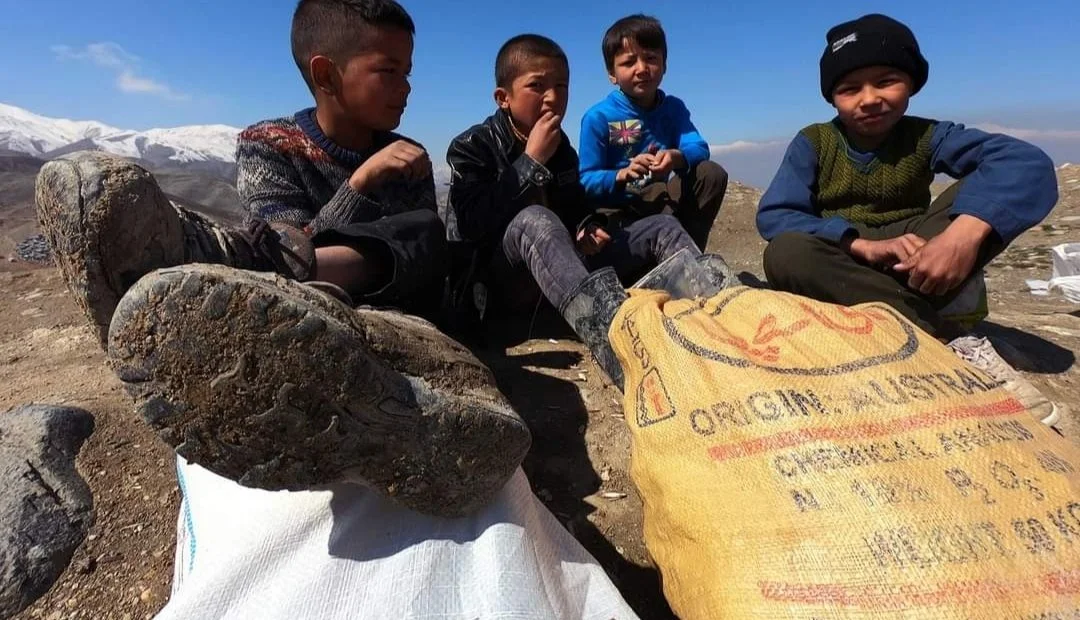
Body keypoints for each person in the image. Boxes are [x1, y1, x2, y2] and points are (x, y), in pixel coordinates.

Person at [35, 0, 532, 517]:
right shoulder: (268, 145)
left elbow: (418, 265)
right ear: (326, 73)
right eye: (389, 71)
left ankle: (241, 272)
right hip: (306, 304)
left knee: (423, 231)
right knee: (288, 261)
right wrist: (360, 184)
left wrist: (359, 192)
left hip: (390, 313)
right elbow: (288, 232)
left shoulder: (407, 153)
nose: (406, 87)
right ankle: (275, 302)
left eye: (408, 72)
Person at [755, 13, 1061, 426]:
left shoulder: (927, 135)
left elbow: (1026, 162)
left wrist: (962, 236)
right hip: (846, 262)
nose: (869, 99)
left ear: (912, 83)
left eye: (886, 81)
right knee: (786, 252)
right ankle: (944, 338)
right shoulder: (815, 142)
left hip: (916, 257)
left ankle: (904, 314)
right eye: (849, 89)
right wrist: (857, 244)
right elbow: (776, 214)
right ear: (832, 98)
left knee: (987, 185)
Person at [445, 34, 731, 389]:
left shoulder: (560, 145)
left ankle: (721, 317)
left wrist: (586, 225)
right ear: (503, 98)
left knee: (660, 227)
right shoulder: (471, 146)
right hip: (505, 286)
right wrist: (529, 162)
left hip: (563, 272)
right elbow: (471, 226)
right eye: (537, 86)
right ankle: (620, 341)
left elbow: (575, 203)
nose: (552, 97)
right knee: (535, 219)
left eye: (561, 86)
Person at [578, 14, 729, 252]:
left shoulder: (672, 108)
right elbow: (585, 180)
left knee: (710, 174)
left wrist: (676, 156)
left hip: (656, 200)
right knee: (655, 198)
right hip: (615, 212)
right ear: (612, 74)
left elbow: (699, 147)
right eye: (628, 63)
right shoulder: (599, 117)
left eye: (650, 58)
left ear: (664, 64)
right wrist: (621, 175)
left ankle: (689, 256)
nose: (642, 69)